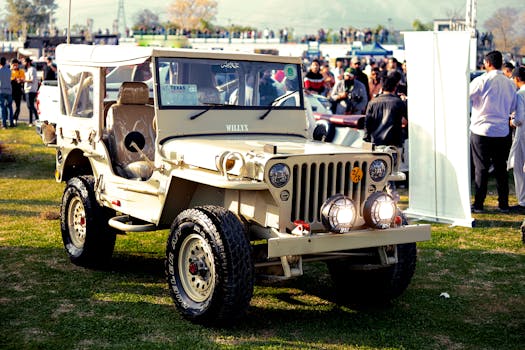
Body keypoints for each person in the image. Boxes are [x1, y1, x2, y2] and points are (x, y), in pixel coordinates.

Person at [470, 51, 517, 213]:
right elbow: (512, 108)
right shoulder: (510, 83)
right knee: (500, 168)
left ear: (487, 63)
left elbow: (466, 98)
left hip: (481, 129)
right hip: (501, 131)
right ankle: (503, 203)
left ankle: (479, 204)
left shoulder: (481, 80)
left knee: (481, 169)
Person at [363, 70, 407, 199]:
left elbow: (367, 123)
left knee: (379, 173)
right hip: (394, 143)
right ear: (395, 87)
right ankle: (392, 196)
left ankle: (385, 196)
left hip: (376, 142)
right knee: (389, 174)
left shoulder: (373, 102)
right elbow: (406, 121)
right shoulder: (398, 102)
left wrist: (366, 139)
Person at [507, 66, 525, 208]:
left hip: (522, 133)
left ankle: (522, 200)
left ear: (517, 79)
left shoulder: (520, 94)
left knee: (519, 168)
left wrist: (511, 121)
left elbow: (519, 119)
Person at [22, 57, 39, 126]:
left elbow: (32, 80)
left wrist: (23, 80)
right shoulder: (27, 70)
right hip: (27, 90)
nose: (23, 63)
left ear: (28, 62)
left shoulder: (32, 69)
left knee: (30, 105)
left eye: (24, 62)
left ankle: (37, 119)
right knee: (29, 106)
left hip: (31, 90)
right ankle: (31, 121)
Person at [0, 57, 14, 128]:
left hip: (1, 90)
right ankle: (11, 123)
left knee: (2, 108)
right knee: (10, 107)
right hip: (9, 90)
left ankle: (4, 124)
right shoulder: (9, 70)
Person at [10, 58, 25, 126]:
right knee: (9, 105)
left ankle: (15, 118)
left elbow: (23, 79)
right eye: (14, 65)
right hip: (11, 90)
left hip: (18, 91)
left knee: (18, 106)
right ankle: (10, 119)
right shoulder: (9, 71)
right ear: (11, 65)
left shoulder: (21, 71)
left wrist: (20, 80)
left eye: (16, 65)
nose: (15, 66)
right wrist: (13, 79)